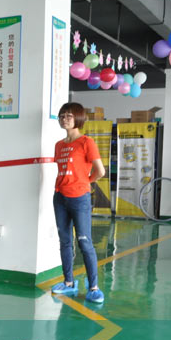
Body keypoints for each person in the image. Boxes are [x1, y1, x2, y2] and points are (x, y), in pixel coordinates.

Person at [51, 102, 106, 303]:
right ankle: (69, 283)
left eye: (69, 116)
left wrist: (85, 182)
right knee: (65, 241)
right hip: (60, 197)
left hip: (79, 198)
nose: (64, 119)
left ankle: (93, 287)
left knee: (84, 242)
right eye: (62, 115)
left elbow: (100, 171)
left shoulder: (86, 142)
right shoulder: (59, 145)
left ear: (78, 119)